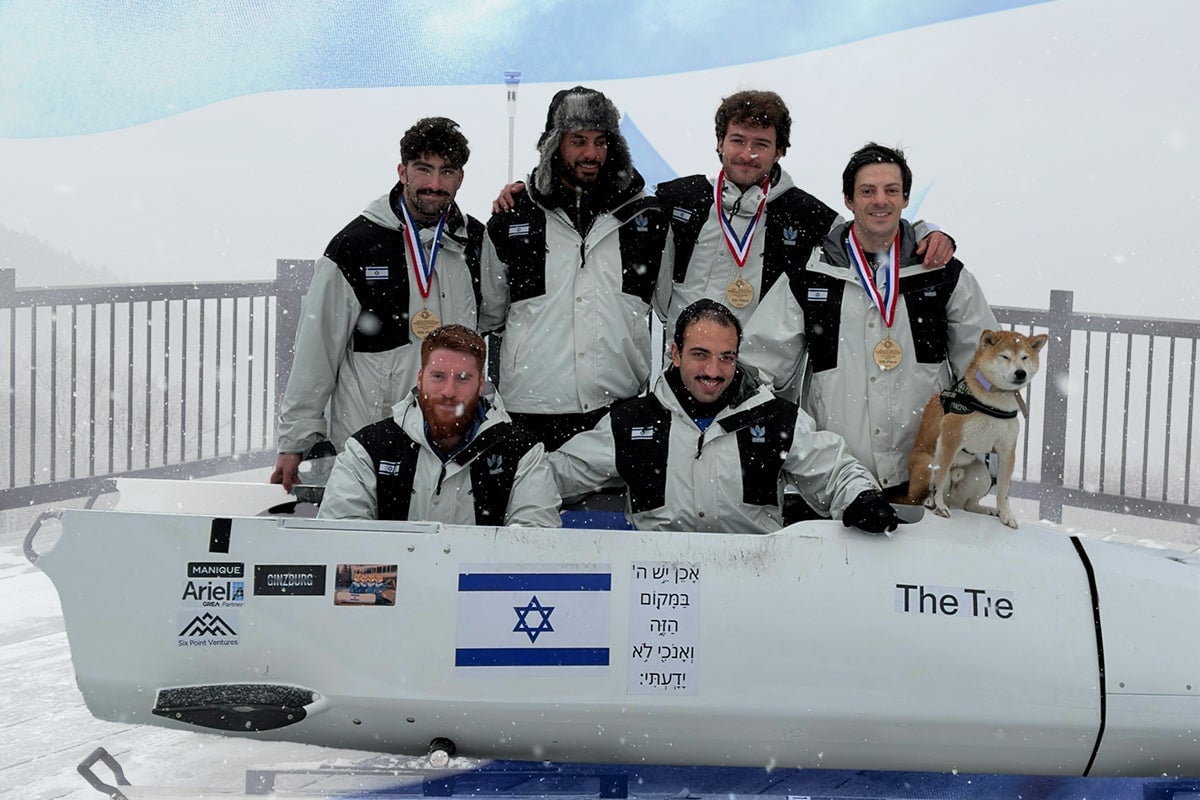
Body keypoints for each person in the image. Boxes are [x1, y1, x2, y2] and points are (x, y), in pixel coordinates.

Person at [741, 142, 998, 498]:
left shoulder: (941, 273)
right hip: (837, 483)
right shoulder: (812, 274)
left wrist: (964, 443)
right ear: (849, 200)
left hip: (933, 479)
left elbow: (987, 370)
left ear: (905, 199)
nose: (880, 200)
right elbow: (757, 369)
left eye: (891, 190)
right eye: (867, 191)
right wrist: (804, 448)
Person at [547, 299, 899, 535]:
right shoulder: (633, 421)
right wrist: (508, 478)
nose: (713, 371)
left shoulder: (774, 417)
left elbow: (835, 470)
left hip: (751, 579)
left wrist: (861, 497)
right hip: (657, 588)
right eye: (700, 355)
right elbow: (558, 475)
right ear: (675, 353)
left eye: (726, 357)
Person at [271, 117, 485, 492]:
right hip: (371, 443)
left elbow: (497, 326)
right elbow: (316, 350)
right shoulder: (355, 245)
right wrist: (296, 441)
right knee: (366, 549)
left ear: (460, 178)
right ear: (402, 171)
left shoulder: (475, 243)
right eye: (423, 169)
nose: (434, 184)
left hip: (454, 443)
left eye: (446, 171)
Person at [653, 90, 955, 334]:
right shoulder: (679, 198)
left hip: (761, 386)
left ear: (780, 150)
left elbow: (868, 235)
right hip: (681, 372)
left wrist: (925, 232)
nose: (747, 154)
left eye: (761, 144)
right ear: (720, 143)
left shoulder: (810, 216)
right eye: (737, 141)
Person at [479, 86, 670, 451]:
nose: (591, 153)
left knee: (616, 509)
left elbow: (671, 309)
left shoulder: (645, 217)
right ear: (554, 145)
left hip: (618, 405)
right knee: (531, 507)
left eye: (601, 141)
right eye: (578, 140)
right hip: (530, 410)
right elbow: (486, 316)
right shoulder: (511, 218)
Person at [318, 325, 561, 526]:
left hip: (479, 585)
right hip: (394, 585)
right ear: (420, 378)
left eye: (463, 379)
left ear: (480, 386)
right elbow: (340, 542)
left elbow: (534, 547)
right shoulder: (368, 449)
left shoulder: (522, 452)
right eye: (438, 376)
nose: (449, 391)